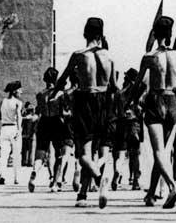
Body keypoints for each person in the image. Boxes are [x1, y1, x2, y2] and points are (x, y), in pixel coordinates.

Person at [54, 16, 117, 208]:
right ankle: (82, 194)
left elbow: (63, 79)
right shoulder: (109, 56)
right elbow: (114, 87)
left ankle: (99, 179)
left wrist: (55, 93)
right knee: (98, 149)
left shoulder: (79, 54)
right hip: (105, 102)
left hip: (85, 100)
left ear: (84, 33)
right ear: (101, 34)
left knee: (83, 153)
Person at [134, 15, 176, 208]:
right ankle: (151, 194)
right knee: (163, 152)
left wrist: (129, 103)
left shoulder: (149, 57)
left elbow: (138, 84)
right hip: (172, 101)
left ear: (155, 34)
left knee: (158, 151)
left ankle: (173, 186)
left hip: (156, 100)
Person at [29, 67, 73, 193]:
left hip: (44, 122)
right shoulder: (60, 94)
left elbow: (38, 111)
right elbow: (65, 112)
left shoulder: (40, 95)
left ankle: (34, 172)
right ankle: (55, 182)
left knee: (40, 154)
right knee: (59, 154)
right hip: (56, 122)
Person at [0, 81, 24, 186]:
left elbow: (0, 116)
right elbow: (18, 116)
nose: (21, 92)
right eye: (19, 90)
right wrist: (19, 130)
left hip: (4, 128)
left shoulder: (2, 101)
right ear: (14, 91)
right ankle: (16, 178)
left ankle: (2, 175)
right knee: (17, 154)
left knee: (4, 154)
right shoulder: (18, 103)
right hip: (13, 128)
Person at [21, 101, 36, 166]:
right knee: (31, 149)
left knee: (24, 149)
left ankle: (24, 161)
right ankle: (30, 162)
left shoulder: (24, 118)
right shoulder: (33, 118)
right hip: (30, 134)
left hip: (24, 134)